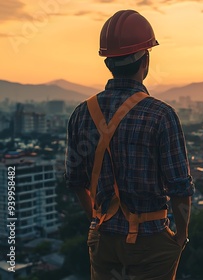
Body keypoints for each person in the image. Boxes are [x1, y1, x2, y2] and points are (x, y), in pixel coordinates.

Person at [65, 10, 194, 280]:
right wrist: (180, 237)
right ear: (145, 59)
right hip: (151, 243)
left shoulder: (81, 113)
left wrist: (97, 219)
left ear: (108, 62)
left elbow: (76, 182)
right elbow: (180, 187)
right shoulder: (161, 115)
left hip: (103, 240)